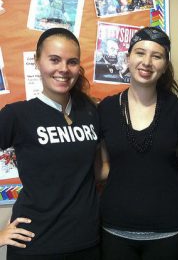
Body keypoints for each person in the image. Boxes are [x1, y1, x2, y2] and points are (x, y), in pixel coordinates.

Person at [0, 28, 101, 259]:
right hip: (35, 245)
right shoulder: (17, 115)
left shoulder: (90, 113)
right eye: (54, 59)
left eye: (72, 62)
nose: (63, 69)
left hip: (87, 242)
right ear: (38, 62)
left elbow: (98, 169)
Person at [96, 26, 178, 260]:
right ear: (128, 58)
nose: (147, 62)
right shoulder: (105, 109)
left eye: (156, 56)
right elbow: (103, 167)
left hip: (168, 231)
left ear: (165, 65)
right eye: (140, 53)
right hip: (115, 229)